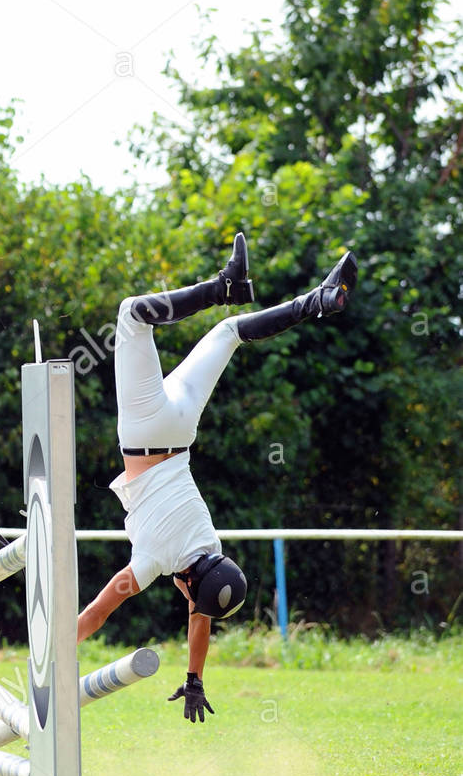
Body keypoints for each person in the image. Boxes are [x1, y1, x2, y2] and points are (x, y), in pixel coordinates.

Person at [75, 234, 357, 722]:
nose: (190, 606)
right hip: (144, 430)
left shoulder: (210, 544)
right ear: (187, 584)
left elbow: (203, 614)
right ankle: (225, 285)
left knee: (230, 331)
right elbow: (102, 610)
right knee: (131, 314)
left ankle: (316, 299)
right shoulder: (156, 561)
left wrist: (195, 677)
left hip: (182, 426)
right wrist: (57, 643)